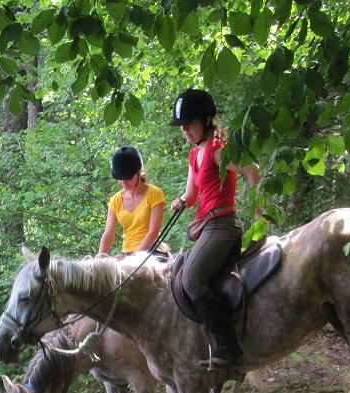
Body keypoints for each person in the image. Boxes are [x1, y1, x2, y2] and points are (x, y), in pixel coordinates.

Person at [168, 88, 261, 371]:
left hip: (222, 226)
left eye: (189, 124)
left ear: (207, 120)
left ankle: (229, 348)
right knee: (183, 277)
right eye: (182, 127)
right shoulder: (194, 153)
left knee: (192, 281)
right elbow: (192, 195)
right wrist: (182, 201)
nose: (184, 130)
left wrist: (259, 216)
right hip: (206, 227)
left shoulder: (217, 150)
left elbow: (253, 170)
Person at [98, 146, 166, 257]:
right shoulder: (115, 200)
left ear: (139, 172)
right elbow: (108, 234)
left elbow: (153, 232)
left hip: (153, 251)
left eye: (128, 178)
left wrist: (133, 257)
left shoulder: (155, 193)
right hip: (127, 253)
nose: (124, 182)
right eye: (120, 178)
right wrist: (100, 256)